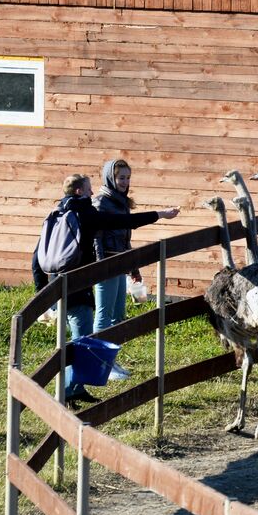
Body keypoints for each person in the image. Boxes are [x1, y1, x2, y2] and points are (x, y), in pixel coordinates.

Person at [50, 173, 179, 404]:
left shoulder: (56, 213)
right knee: (83, 340)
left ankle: (74, 388)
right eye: (89, 189)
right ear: (79, 191)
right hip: (76, 288)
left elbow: (38, 256)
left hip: (63, 285)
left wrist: (43, 291)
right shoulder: (85, 214)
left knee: (81, 339)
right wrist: (158, 215)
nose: (92, 192)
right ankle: (66, 391)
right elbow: (120, 223)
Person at [91, 158, 148, 379]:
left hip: (119, 264)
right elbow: (96, 239)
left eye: (127, 178)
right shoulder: (101, 203)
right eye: (120, 178)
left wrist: (132, 266)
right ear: (110, 178)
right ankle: (98, 363)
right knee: (104, 316)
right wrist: (101, 265)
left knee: (117, 317)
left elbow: (124, 237)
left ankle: (110, 361)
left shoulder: (120, 202)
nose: (125, 182)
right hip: (106, 266)